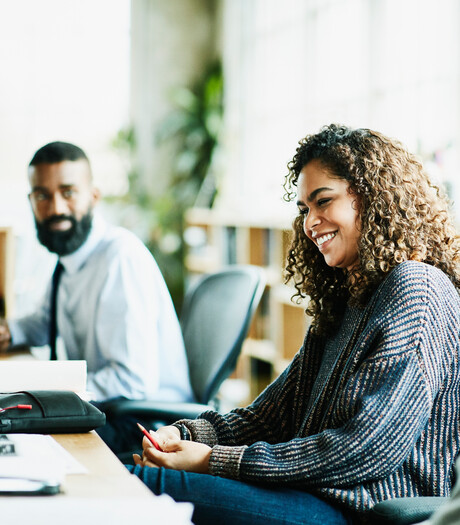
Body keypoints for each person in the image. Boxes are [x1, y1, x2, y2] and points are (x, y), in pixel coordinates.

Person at [126, 124, 460, 525]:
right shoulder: (348, 299)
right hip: (311, 496)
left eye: (323, 202)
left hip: (359, 511)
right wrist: (188, 436)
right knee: (131, 478)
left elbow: (368, 448)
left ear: (373, 198)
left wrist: (215, 461)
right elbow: (270, 417)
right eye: (304, 209)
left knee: (138, 486)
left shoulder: (417, 289)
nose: (311, 222)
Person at [0, 141, 193, 410]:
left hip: (147, 422)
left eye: (68, 192)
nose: (56, 208)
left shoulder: (119, 258)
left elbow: (132, 380)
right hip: (107, 407)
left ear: (93, 197)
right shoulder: (69, 261)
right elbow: (46, 322)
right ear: (31, 202)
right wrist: (9, 331)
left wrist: (51, 392)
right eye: (42, 196)